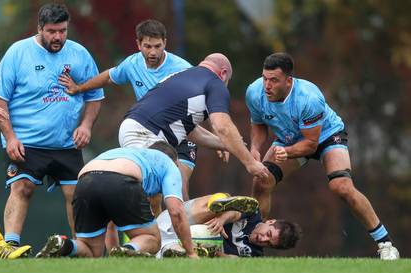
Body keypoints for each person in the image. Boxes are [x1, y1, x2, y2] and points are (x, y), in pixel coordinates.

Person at [245, 52, 399, 260]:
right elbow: (259, 123)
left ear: (289, 81)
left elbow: (310, 144)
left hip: (325, 136)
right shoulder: (255, 92)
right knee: (261, 180)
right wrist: (255, 147)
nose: (267, 86)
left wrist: (287, 152)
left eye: (274, 80)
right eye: (265, 78)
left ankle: (385, 243)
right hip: (289, 138)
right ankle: (252, 243)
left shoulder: (309, 98)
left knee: (341, 187)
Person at [0, 3, 104, 252]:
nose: (58, 37)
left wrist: (86, 126)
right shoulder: (18, 53)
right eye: (52, 31)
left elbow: (95, 95)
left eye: (62, 31)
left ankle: (82, 248)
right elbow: (0, 100)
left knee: (75, 194)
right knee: (22, 187)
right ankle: (10, 247)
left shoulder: (79, 55)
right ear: (40, 29)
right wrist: (10, 137)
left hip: (65, 143)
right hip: (26, 141)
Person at [59, 19, 201, 200]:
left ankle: (186, 227)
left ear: (165, 43)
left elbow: (205, 97)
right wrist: (79, 88)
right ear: (139, 44)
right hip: (153, 133)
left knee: (179, 187)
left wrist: (218, 137)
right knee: (151, 188)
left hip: (182, 134)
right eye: (148, 46)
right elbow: (109, 77)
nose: (153, 52)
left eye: (158, 46)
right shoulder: (132, 64)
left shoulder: (183, 69)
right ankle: (154, 228)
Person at [118, 53, 269, 184]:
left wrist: (227, 144)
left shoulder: (180, 74)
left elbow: (191, 131)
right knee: (169, 188)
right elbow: (223, 127)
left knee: (171, 186)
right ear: (223, 74)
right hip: (146, 135)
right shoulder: (215, 83)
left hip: (130, 127)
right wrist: (250, 163)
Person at [35, 141, 198, 259]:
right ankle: (129, 249)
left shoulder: (129, 154)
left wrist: (115, 256)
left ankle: (64, 244)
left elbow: (111, 222)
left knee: (91, 252)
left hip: (85, 182)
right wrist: (190, 252)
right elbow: (176, 210)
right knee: (153, 239)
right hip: (120, 180)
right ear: (174, 161)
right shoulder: (169, 165)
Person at [157, 193, 302, 258]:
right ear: (270, 221)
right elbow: (235, 215)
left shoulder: (254, 255)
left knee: (203, 248)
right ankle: (220, 201)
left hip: (179, 243)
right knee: (219, 205)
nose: (263, 240)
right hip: (178, 220)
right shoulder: (253, 214)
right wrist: (222, 220)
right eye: (268, 234)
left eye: (269, 244)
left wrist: (219, 254)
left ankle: (174, 252)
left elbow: (234, 261)